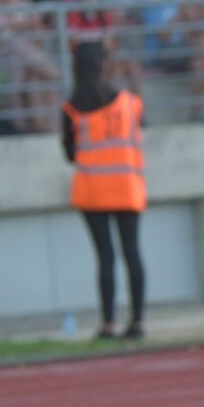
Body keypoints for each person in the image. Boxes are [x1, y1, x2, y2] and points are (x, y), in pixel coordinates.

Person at [61, 43, 148, 340]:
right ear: (102, 65)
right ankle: (137, 322)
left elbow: (69, 153)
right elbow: (140, 127)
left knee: (105, 257)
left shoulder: (72, 106)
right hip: (126, 186)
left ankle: (108, 324)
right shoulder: (128, 102)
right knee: (132, 252)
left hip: (92, 189)